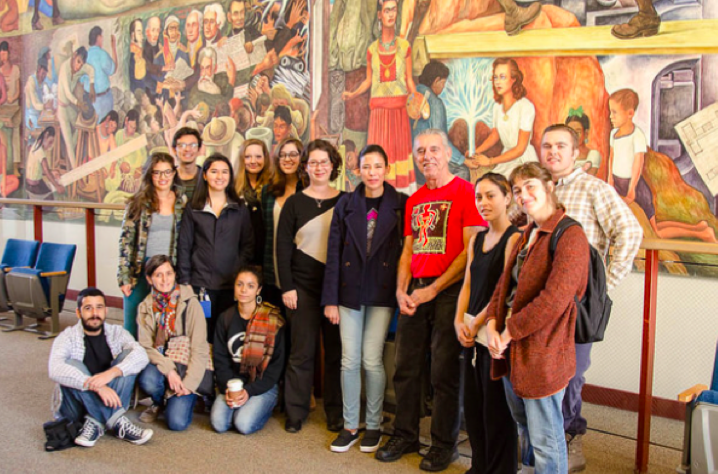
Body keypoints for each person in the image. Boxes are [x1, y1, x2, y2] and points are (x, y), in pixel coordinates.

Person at [376, 129, 484, 471]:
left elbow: (470, 251)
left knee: (444, 371)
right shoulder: (414, 199)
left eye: (434, 149)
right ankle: (405, 433)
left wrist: (433, 289)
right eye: (420, 151)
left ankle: (443, 444)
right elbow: (408, 250)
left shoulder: (467, 193)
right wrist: (400, 291)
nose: (427, 156)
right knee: (405, 367)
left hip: (449, 292)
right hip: (414, 293)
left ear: (448, 152)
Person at [539, 123, 642, 472]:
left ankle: (569, 436)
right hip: (540, 299)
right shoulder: (537, 190)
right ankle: (542, 438)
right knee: (541, 369)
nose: (553, 152)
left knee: (572, 373)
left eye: (561, 146)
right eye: (547, 145)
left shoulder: (594, 188)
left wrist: (604, 287)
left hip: (577, 304)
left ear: (575, 151)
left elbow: (629, 231)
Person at [486, 162, 589, 474]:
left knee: (546, 438)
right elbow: (504, 286)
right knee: (526, 428)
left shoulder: (570, 234)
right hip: (512, 350)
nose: (523, 195)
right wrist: (492, 322)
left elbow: (554, 300)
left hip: (544, 351)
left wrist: (508, 332)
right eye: (517, 190)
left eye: (530, 186)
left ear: (549, 187)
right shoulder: (527, 233)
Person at [322, 144, 407, 453]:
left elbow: (406, 254)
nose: (372, 172)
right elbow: (333, 254)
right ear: (357, 170)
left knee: (372, 359)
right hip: (348, 291)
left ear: (387, 169)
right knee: (349, 360)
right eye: (366, 167)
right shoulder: (346, 204)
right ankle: (349, 425)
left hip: (382, 292)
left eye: (377, 166)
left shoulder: (401, 203)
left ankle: (373, 424)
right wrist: (330, 299)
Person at [453, 172, 520, 473]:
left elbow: (502, 288)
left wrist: (479, 320)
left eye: (491, 195)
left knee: (497, 409)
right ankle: (479, 466)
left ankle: (500, 469)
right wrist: (458, 320)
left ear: (507, 198)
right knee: (474, 405)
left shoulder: (514, 238)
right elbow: (467, 283)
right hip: (470, 333)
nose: (483, 202)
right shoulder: (477, 238)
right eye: (479, 196)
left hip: (493, 334)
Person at [276, 139, 344, 434]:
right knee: (301, 353)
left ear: (333, 165)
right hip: (301, 288)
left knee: (336, 354)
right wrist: (287, 287)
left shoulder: (346, 201)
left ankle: (336, 413)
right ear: (306, 167)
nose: (318, 167)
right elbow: (282, 248)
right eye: (313, 162)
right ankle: (296, 411)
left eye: (324, 162)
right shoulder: (294, 202)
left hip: (335, 291)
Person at [608, 89, 716, 243]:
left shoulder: (636, 135)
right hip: (619, 183)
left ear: (630, 113)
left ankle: (702, 233)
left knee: (654, 233)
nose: (611, 116)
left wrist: (632, 190)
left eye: (614, 112)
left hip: (636, 187)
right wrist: (610, 180)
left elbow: (638, 163)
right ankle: (699, 228)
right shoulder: (613, 134)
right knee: (653, 227)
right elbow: (612, 158)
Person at [48, 287, 152, 447]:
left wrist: (110, 374)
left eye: (99, 307)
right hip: (75, 408)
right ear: (78, 312)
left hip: (112, 400)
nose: (94, 313)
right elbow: (54, 368)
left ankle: (95, 422)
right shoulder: (67, 337)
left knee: (129, 357)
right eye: (88, 308)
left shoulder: (117, 333)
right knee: (71, 365)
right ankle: (118, 422)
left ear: (106, 311)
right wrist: (97, 387)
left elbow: (141, 355)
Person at [342, 0, 417, 193]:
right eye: (387, 10)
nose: (391, 14)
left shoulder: (404, 47)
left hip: (399, 113)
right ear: (379, 15)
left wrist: (415, 96)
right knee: (378, 159)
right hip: (378, 115)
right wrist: (353, 94)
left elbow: (409, 80)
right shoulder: (372, 50)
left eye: (394, 10)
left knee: (399, 163)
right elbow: (368, 81)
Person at [178, 153, 254, 343]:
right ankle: (204, 371)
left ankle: (223, 372)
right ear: (204, 175)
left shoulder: (239, 208)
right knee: (202, 330)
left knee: (226, 331)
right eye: (214, 171)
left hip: (230, 284)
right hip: (201, 284)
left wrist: (238, 267)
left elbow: (248, 244)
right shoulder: (194, 208)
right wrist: (185, 280)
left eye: (224, 172)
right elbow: (184, 246)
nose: (219, 176)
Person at [137, 255, 209, 431]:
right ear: (149, 279)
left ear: (175, 274)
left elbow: (199, 349)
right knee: (147, 379)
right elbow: (145, 347)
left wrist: (189, 385)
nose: (164, 280)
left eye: (169, 273)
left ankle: (189, 397)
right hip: (163, 365)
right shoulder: (145, 307)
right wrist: (169, 370)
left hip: (186, 368)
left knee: (177, 423)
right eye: (158, 275)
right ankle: (159, 401)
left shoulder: (191, 303)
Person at [118, 152, 186, 338]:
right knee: (132, 324)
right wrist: (124, 277)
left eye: (167, 172)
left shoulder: (183, 202)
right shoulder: (137, 203)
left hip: (170, 270)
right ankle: (130, 364)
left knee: (166, 324)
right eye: (157, 173)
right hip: (141, 268)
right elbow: (125, 242)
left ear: (174, 173)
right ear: (149, 174)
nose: (162, 177)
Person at [212, 266, 286, 435]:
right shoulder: (225, 318)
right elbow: (220, 359)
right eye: (240, 284)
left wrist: (250, 391)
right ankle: (242, 404)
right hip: (234, 382)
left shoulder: (273, 320)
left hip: (263, 384)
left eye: (250, 286)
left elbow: (276, 367)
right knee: (219, 424)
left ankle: (264, 405)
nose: (244, 290)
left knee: (243, 424)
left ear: (258, 290)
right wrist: (228, 388)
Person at [469, 58, 538, 179]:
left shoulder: (526, 106)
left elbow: (520, 149)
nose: (497, 82)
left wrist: (490, 161)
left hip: (523, 159)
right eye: (495, 77)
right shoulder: (497, 106)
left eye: (502, 77)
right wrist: (476, 152)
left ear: (513, 79)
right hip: (506, 156)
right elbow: (495, 135)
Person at [261, 137, 304, 310]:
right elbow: (264, 230)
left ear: (302, 158)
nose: (287, 159)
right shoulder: (268, 191)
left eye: (293, 154)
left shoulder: (308, 190)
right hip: (271, 267)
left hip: (298, 272)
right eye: (283, 155)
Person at [412, 60, 469, 184]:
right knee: (463, 171)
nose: (443, 87)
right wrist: (463, 160)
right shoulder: (435, 103)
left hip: (410, 163)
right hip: (426, 165)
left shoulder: (411, 96)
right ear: (436, 80)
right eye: (443, 83)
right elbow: (440, 141)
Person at [235, 138, 275, 265]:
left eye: (258, 156)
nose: (253, 161)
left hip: (268, 255)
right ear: (242, 159)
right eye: (248, 157)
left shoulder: (274, 186)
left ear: (265, 158)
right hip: (240, 256)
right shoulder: (232, 188)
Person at [25, 126, 64, 200]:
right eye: (50, 142)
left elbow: (38, 169)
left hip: (30, 183)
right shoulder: (40, 151)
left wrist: (53, 172)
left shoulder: (36, 144)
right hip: (34, 186)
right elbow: (46, 170)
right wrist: (57, 186)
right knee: (50, 199)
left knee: (49, 192)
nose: (50, 146)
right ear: (46, 135)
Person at [565, 110, 601, 176]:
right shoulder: (563, 154)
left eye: (578, 132)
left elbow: (588, 178)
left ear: (586, 134)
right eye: (570, 132)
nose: (574, 136)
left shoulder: (593, 155)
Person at [172, 127, 203, 201]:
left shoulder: (207, 178)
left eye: (193, 145)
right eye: (182, 145)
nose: (187, 149)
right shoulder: (167, 178)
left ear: (199, 149)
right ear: (174, 150)